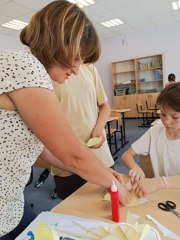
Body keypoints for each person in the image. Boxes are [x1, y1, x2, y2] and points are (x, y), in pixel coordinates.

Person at [0, 1, 130, 239]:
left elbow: (47, 150)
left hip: (10, 202)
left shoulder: (28, 68)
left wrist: (98, 172)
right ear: (60, 43)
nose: (77, 70)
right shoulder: (25, 66)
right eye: (77, 58)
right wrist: (113, 184)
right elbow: (71, 155)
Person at [51, 63, 115, 199]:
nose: (75, 70)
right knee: (75, 213)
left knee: (109, 208)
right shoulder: (45, 73)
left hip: (100, 156)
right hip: (68, 161)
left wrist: (98, 128)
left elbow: (104, 106)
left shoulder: (89, 68)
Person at [121, 82, 180, 197]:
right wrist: (136, 168)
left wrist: (159, 182)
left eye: (175, 117)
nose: (167, 122)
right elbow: (126, 155)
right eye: (163, 114)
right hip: (159, 196)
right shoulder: (155, 132)